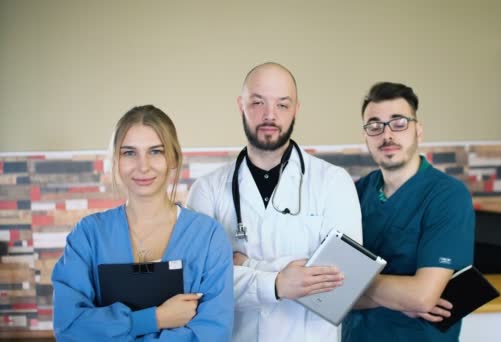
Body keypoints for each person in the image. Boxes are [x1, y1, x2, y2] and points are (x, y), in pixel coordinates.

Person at [186, 62, 362, 342]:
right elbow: (199, 283)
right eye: (258, 102)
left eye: (282, 105)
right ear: (240, 104)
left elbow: (342, 286)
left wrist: (247, 266)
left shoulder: (333, 182)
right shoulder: (207, 190)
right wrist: (279, 283)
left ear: (296, 109)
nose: (270, 115)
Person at [52, 105, 234, 341]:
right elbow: (69, 329)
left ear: (174, 159)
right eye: (129, 153)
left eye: (156, 151)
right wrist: (155, 318)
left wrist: (112, 329)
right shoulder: (88, 235)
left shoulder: (208, 238)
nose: (143, 166)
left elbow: (213, 334)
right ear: (115, 161)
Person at [342, 82, 475, 341]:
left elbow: (422, 298)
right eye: (374, 125)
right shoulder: (357, 192)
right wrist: (402, 296)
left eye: (399, 122)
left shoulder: (447, 196)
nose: (386, 135)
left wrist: (356, 282)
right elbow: (331, 292)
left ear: (418, 130)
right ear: (365, 135)